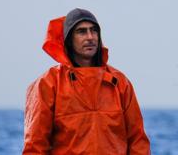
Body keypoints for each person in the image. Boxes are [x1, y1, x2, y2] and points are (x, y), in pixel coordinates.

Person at [23, 8, 151, 154]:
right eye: (82, 31)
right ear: (68, 39)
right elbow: (35, 146)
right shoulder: (48, 84)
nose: (90, 37)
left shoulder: (120, 82)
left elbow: (138, 141)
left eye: (94, 30)